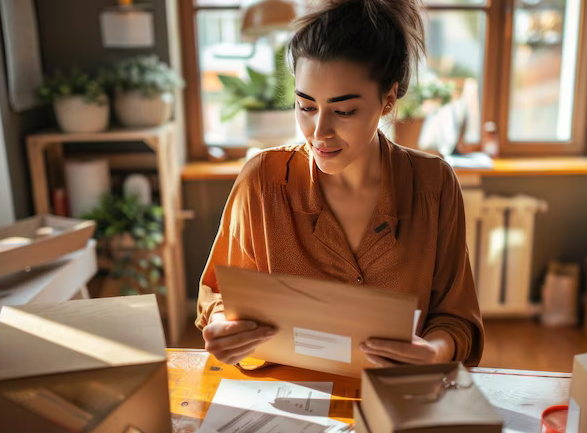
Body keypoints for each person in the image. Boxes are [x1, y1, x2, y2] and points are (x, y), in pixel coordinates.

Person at [196, 0, 483, 369]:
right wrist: (222, 327)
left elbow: (456, 319)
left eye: (344, 111)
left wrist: (432, 352)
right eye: (306, 106)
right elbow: (217, 295)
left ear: (388, 100)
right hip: (282, 403)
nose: (319, 133)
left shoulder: (433, 185)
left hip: (396, 401)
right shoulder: (262, 182)